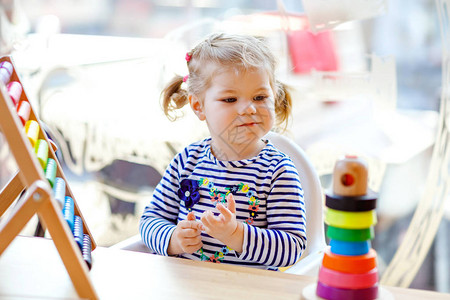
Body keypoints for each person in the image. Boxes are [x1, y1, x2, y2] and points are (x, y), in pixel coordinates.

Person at [139, 33, 306, 270]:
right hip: (187, 286)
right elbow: (150, 221)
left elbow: (292, 248)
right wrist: (173, 240)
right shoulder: (187, 161)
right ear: (198, 106)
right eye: (230, 99)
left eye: (260, 97)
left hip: (248, 290)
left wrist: (237, 234)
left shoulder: (277, 171)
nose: (248, 108)